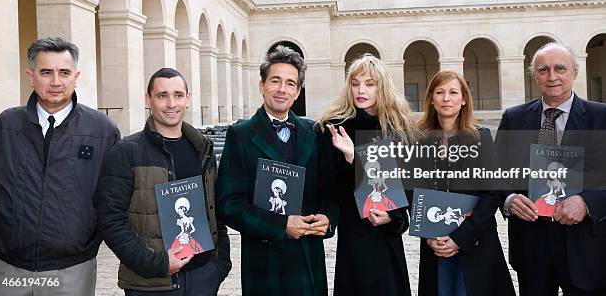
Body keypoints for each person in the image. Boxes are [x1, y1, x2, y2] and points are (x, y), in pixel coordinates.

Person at [0, 37, 120, 296]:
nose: (55, 81)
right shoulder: (5, 126)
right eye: (46, 72)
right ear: (30, 76)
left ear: (76, 76)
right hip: (10, 268)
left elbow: (113, 198)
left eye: (64, 72)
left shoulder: (102, 130)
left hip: (73, 269)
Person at [216, 45, 338, 296]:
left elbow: (330, 191)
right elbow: (228, 204)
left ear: (298, 92)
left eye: (290, 83)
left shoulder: (315, 132)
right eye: (275, 81)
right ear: (262, 85)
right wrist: (280, 225)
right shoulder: (240, 135)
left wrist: (328, 218)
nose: (282, 89)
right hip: (264, 260)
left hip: (307, 258)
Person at [97, 68, 231, 295]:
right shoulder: (126, 153)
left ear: (188, 98)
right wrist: (157, 263)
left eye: (178, 95)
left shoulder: (203, 149)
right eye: (162, 95)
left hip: (203, 278)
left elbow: (214, 211)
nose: (171, 103)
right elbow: (110, 220)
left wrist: (219, 265)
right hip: (151, 284)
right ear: (148, 99)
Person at [495, 43, 606, 295]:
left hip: (586, 247)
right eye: (543, 69)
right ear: (534, 75)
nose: (552, 76)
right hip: (531, 245)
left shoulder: (601, 117)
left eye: (560, 68)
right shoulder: (514, 118)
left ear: (575, 72)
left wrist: (587, 201)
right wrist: (510, 198)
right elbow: (496, 173)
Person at [318, 54, 415, 296]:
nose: (361, 90)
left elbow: (408, 187)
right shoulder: (335, 127)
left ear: (381, 87)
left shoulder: (399, 128)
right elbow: (331, 189)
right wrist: (353, 160)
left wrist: (394, 217)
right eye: (355, 83)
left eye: (369, 84)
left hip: (387, 235)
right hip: (354, 234)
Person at [417, 69, 514, 296]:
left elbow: (491, 194)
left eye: (453, 92)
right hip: (435, 242)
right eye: (440, 92)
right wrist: (429, 236)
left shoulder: (481, 138)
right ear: (432, 99)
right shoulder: (418, 140)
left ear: (463, 100)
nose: (446, 98)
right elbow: (414, 192)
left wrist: (460, 238)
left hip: (475, 241)